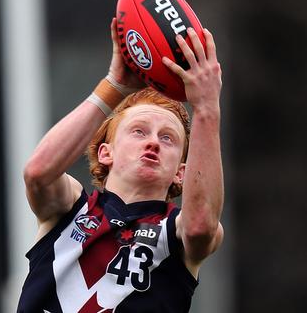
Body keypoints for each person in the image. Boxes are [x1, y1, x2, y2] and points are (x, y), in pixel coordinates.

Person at [16, 18, 224, 312]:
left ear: (181, 172)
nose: (152, 142)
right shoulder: (70, 210)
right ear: (105, 153)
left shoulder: (176, 232)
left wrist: (206, 110)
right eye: (139, 131)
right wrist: (114, 87)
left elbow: (201, 225)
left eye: (167, 138)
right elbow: (37, 173)